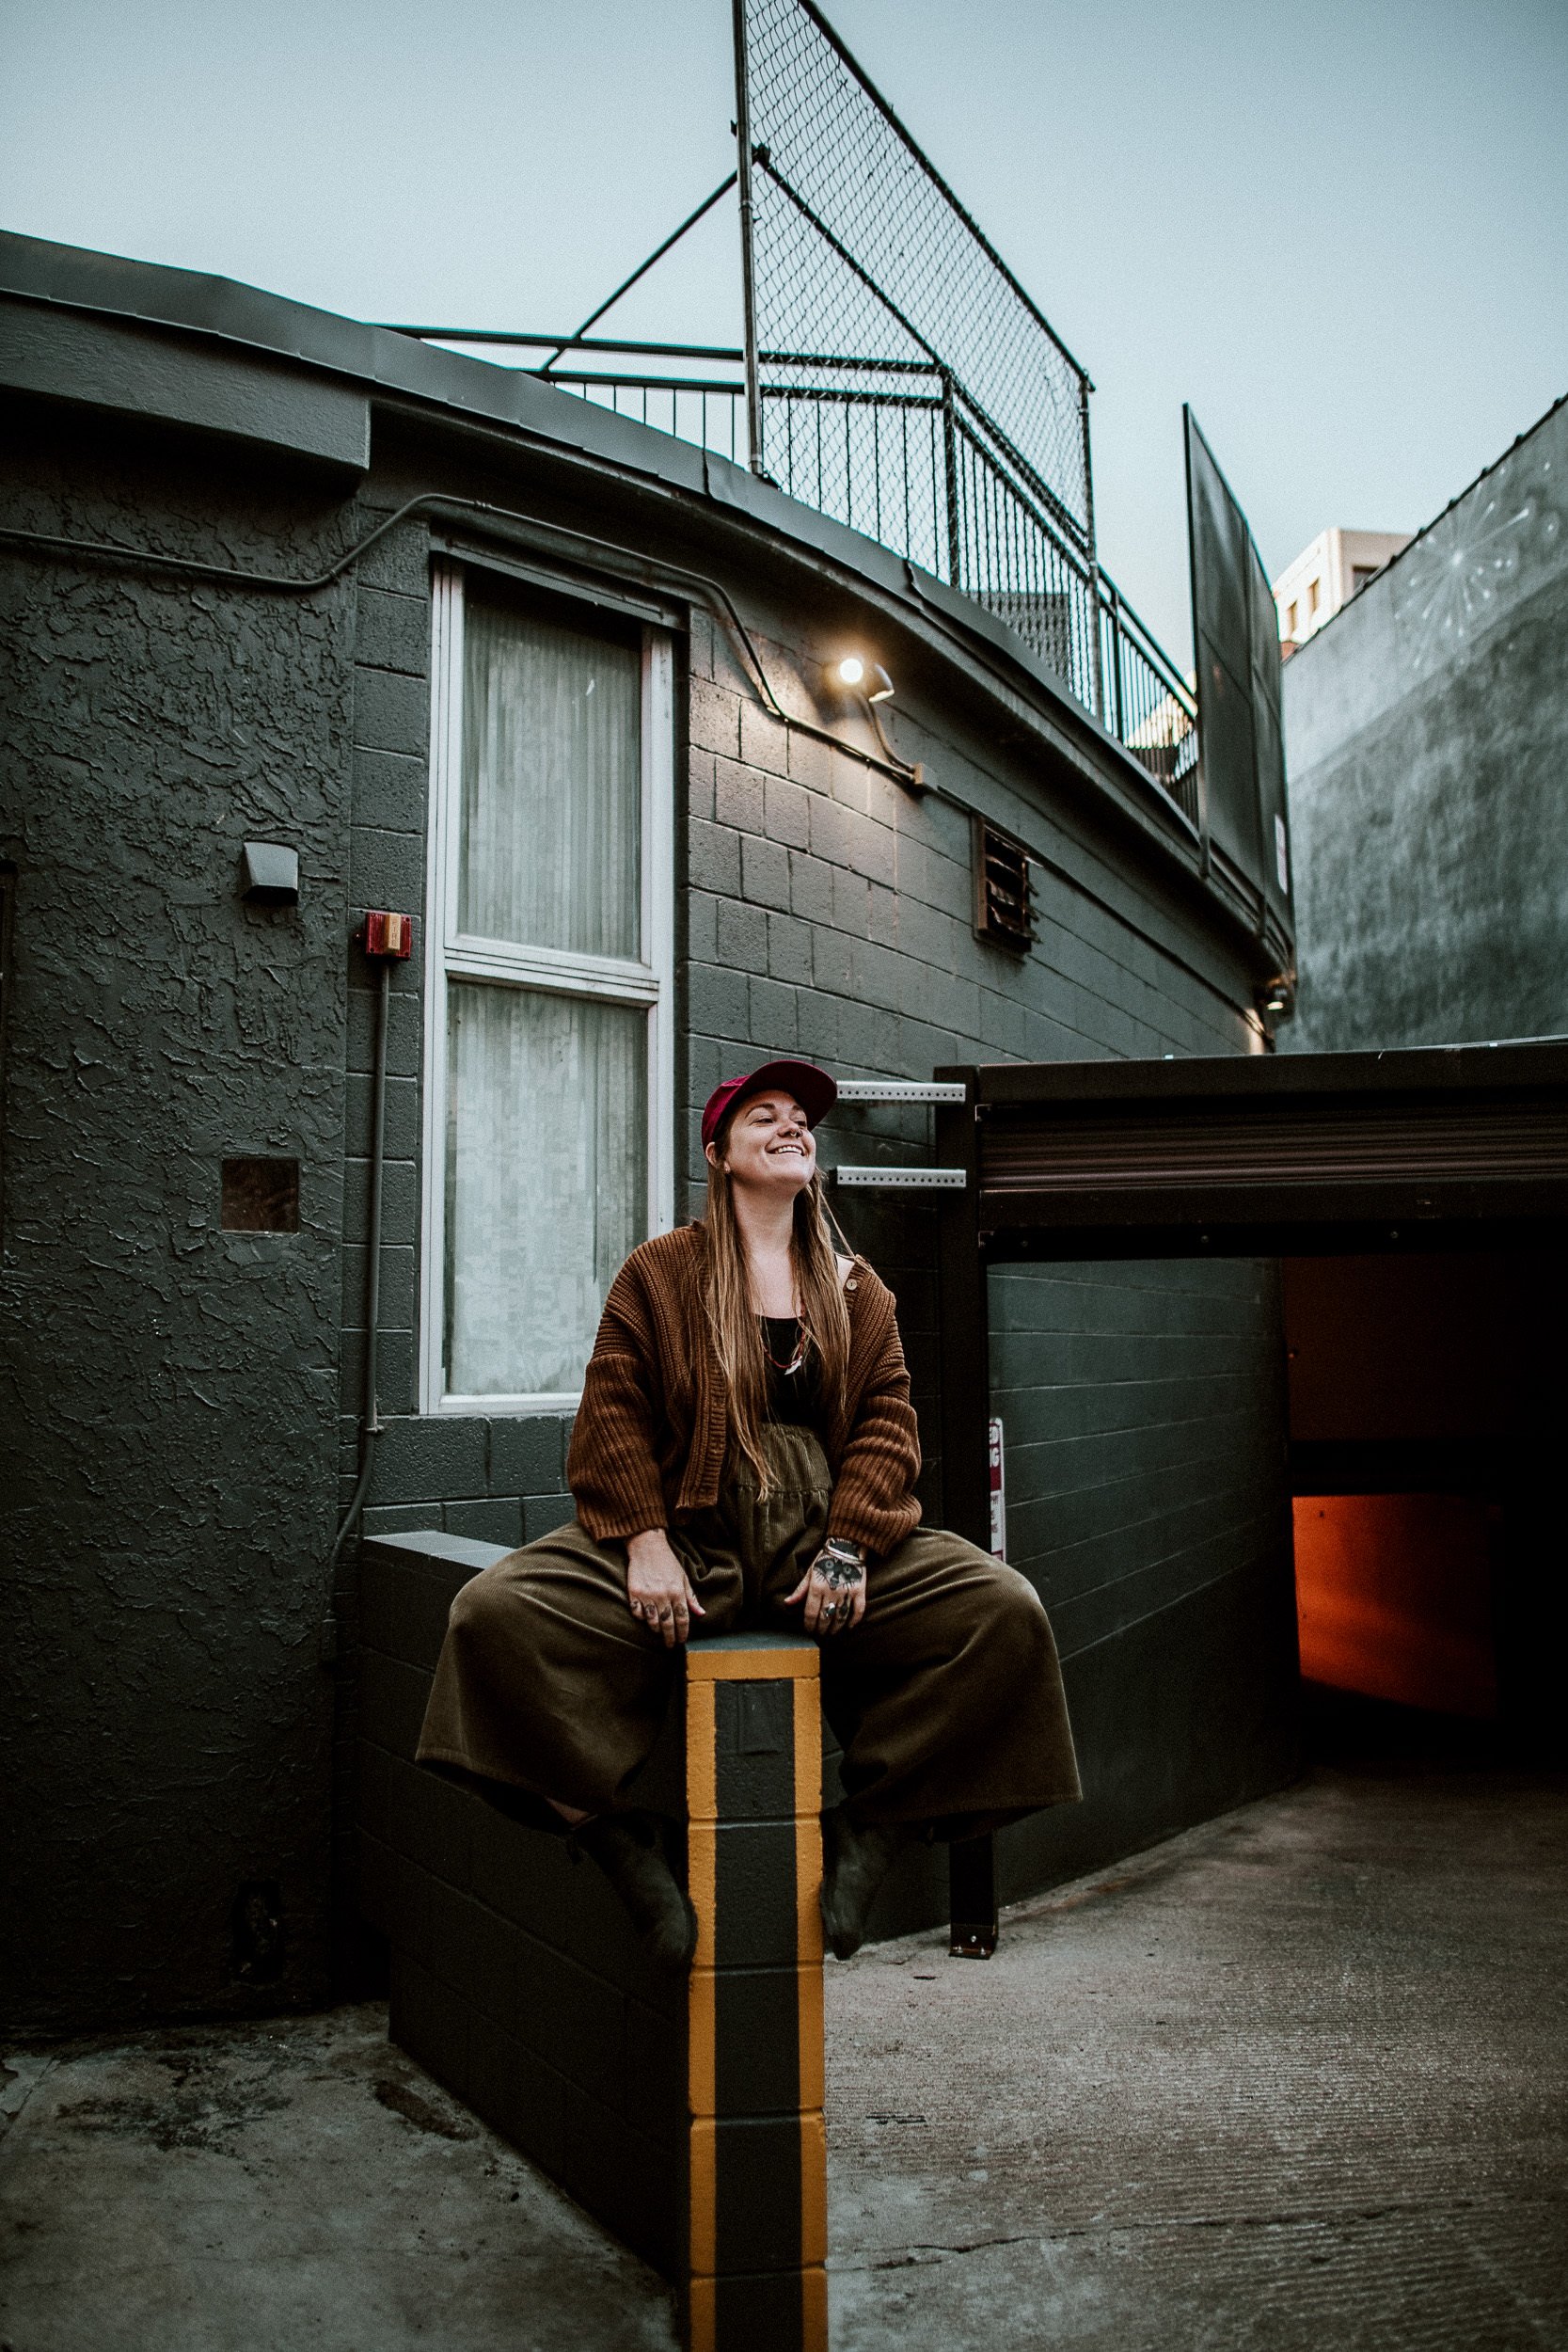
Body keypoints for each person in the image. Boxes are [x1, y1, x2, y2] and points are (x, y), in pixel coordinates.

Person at [417, 1057, 1080, 1970]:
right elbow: (611, 1415)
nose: (790, 1125)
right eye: (763, 1115)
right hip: (694, 1546)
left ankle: (871, 1827)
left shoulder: (857, 1289)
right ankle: (617, 1839)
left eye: (800, 1117)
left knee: (1002, 1613)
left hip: (822, 1549)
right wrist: (644, 1542)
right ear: (718, 1153)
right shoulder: (660, 1272)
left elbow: (887, 1424)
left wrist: (848, 1546)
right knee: (491, 1617)